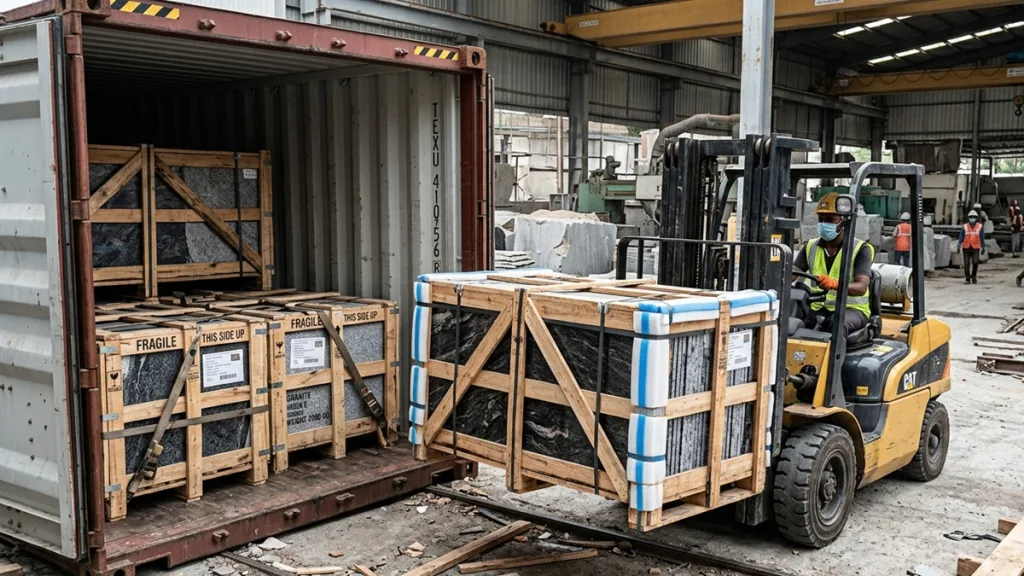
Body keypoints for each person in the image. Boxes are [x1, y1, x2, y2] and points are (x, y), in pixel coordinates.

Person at [794, 193, 874, 339]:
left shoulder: (860, 249)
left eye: (830, 220)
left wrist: (835, 284)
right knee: (794, 327)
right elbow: (792, 273)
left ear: (843, 221)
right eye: (821, 219)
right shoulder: (810, 246)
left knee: (837, 324)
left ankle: (834, 362)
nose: (824, 224)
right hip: (819, 308)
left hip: (852, 309)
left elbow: (861, 287)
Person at [957, 210, 986, 285]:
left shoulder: (980, 226)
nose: (972, 218)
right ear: (968, 218)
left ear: (976, 218)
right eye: (971, 217)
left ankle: (974, 276)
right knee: (966, 264)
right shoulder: (965, 226)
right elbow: (961, 236)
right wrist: (958, 245)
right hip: (966, 247)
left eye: (973, 217)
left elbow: (982, 237)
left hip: (975, 247)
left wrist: (983, 247)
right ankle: (967, 278)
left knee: (975, 262)